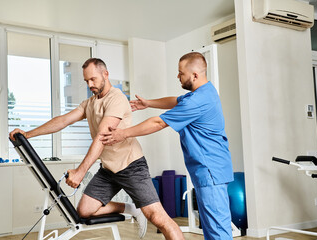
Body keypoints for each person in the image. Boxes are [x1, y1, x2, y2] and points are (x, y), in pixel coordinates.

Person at [9, 58, 184, 240]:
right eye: (86, 81)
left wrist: (80, 172)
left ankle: (145, 213)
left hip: (131, 166)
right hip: (108, 169)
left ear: (105, 74)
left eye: (93, 79)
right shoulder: (89, 103)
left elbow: (102, 137)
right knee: (84, 211)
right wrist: (28, 134)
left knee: (158, 217)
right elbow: (63, 120)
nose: (90, 84)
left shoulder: (116, 98)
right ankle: (131, 209)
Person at [100, 52, 234, 240]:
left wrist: (121, 134)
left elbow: (158, 123)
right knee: (212, 228)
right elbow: (175, 100)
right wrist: (148, 103)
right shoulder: (203, 92)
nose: (177, 76)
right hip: (210, 169)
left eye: (181, 73)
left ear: (194, 75)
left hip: (210, 170)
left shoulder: (197, 101)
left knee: (217, 231)